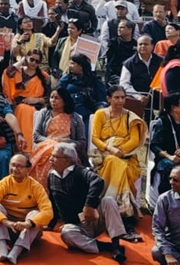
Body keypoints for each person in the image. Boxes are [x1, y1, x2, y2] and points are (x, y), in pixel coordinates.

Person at [47, 142, 127, 262]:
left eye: (55, 156)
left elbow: (97, 181)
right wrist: (51, 224)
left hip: (94, 219)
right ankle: (106, 247)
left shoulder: (79, 171)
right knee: (66, 234)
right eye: (51, 156)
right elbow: (53, 201)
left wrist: (89, 205)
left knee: (109, 201)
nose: (50, 159)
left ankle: (116, 245)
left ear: (67, 160)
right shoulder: (51, 176)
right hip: (76, 226)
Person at [91, 85, 148, 229]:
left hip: (127, 157)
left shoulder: (130, 117)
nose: (120, 101)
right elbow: (95, 138)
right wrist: (110, 148)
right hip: (105, 154)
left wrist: (120, 151)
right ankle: (125, 211)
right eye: (116, 97)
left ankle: (112, 208)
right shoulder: (100, 114)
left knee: (117, 163)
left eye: (123, 97)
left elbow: (134, 140)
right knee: (114, 162)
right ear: (108, 99)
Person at [0, 153, 53, 264]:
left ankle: (16, 251)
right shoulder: (4, 183)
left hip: (27, 230)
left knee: (35, 214)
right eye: (13, 165)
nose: (15, 169)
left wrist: (28, 223)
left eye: (19, 166)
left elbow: (48, 212)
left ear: (28, 169)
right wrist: (6, 222)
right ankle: (3, 249)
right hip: (8, 227)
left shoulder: (35, 187)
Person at [30, 87, 87, 183]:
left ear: (65, 100)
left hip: (68, 148)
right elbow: (36, 136)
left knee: (61, 156)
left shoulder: (75, 117)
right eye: (51, 97)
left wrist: (67, 143)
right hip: (45, 147)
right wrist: (53, 142)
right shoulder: (44, 113)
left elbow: (82, 142)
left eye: (57, 98)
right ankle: (45, 187)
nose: (53, 100)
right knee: (52, 157)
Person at [153, 94, 180, 198]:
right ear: (174, 108)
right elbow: (154, 146)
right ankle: (167, 199)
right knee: (169, 166)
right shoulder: (163, 122)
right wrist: (170, 157)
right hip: (167, 158)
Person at [154, 165, 180, 265]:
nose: (171, 182)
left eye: (175, 180)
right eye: (170, 178)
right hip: (174, 246)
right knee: (156, 252)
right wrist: (167, 254)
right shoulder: (164, 199)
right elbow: (157, 228)